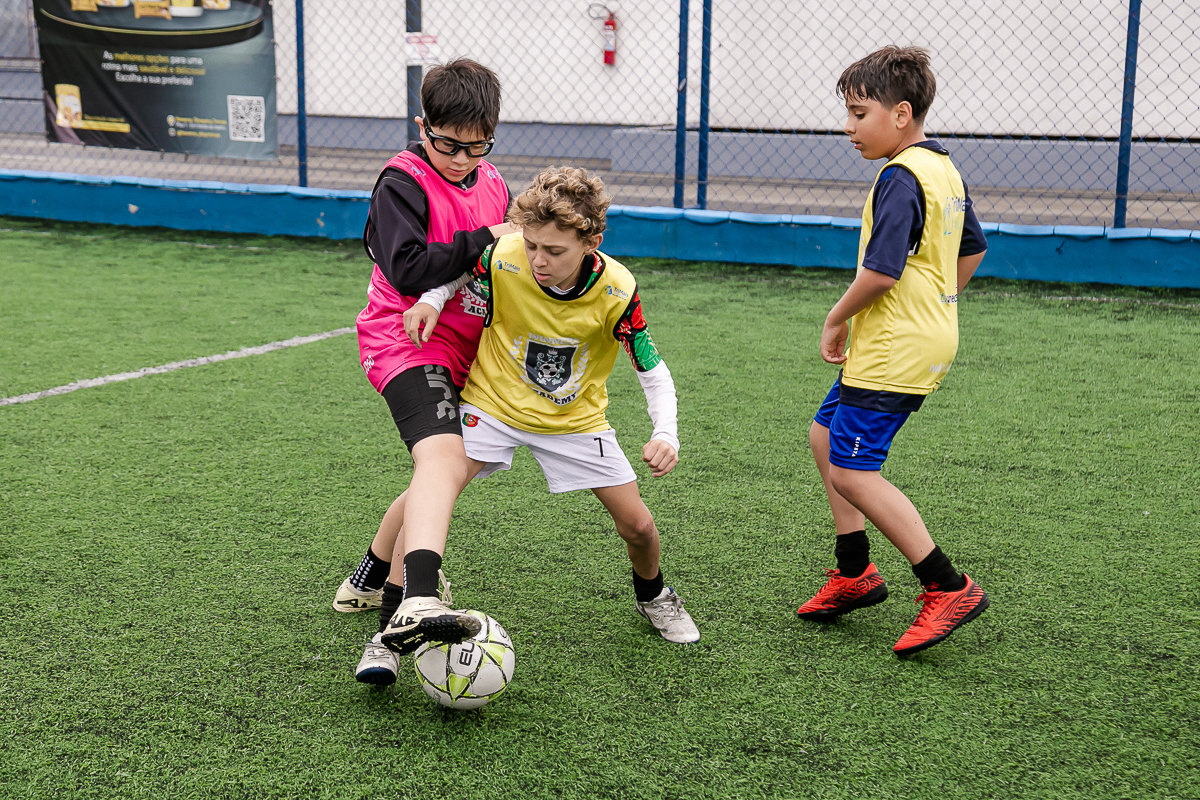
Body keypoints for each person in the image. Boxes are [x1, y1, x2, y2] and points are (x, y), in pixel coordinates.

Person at [398, 165, 700, 649]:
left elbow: (652, 370)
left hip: (575, 421)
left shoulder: (618, 291)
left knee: (639, 526)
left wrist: (666, 432)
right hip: (492, 406)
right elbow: (456, 275)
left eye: (554, 251)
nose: (538, 259)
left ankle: (654, 594)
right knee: (432, 486)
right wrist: (432, 300)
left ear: (592, 242)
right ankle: (403, 601)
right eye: (532, 245)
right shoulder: (505, 256)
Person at [795, 46, 990, 656]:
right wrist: (937, 300)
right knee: (825, 437)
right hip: (914, 337)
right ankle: (854, 572)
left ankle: (947, 586)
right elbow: (973, 247)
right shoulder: (943, 169)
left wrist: (834, 321)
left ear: (901, 113)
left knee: (855, 469)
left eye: (859, 114)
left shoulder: (900, 176)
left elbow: (879, 274)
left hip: (895, 347)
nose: (848, 128)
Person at [332, 58, 518, 686]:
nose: (463, 158)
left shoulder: (493, 181)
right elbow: (410, 269)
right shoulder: (400, 183)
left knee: (452, 475)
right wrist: (487, 236)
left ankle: (370, 574)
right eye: (448, 144)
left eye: (478, 145)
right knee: (440, 459)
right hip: (403, 342)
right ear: (423, 126)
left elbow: (507, 255)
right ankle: (411, 604)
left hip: (471, 350)